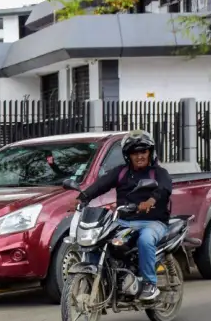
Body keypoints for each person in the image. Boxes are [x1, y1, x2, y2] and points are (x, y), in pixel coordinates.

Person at [71, 130, 173, 303]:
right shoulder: (121, 172)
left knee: (145, 240)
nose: (139, 156)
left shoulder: (158, 173)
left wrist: (151, 200)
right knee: (100, 241)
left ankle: (150, 284)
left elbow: (164, 188)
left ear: (150, 152)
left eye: (143, 151)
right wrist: (83, 197)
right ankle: (102, 279)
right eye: (135, 152)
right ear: (128, 155)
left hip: (152, 222)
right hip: (124, 222)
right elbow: (101, 185)